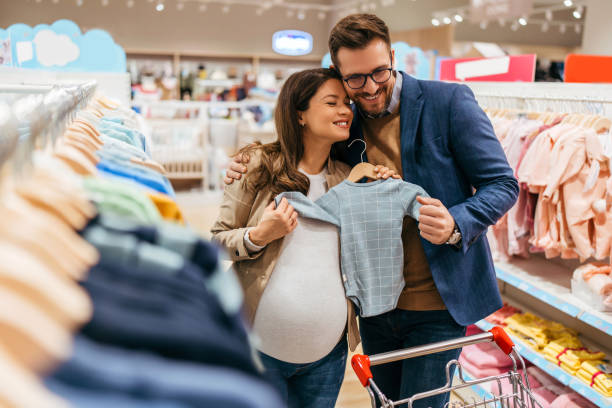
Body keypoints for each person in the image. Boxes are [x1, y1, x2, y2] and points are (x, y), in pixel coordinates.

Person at [224, 14, 519, 408]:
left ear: (393, 56)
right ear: (339, 75)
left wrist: (455, 222)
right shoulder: (346, 122)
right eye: (356, 79)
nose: (372, 86)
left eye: (380, 71)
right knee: (385, 403)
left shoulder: (448, 102)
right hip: (374, 305)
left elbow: (503, 183)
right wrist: (250, 159)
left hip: (437, 302)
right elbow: (302, 140)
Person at [210, 68, 396, 408]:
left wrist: (383, 186)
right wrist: (259, 235)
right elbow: (217, 240)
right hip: (258, 350)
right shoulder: (257, 165)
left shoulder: (349, 179)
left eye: (346, 103)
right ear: (300, 114)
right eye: (332, 103)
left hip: (328, 354)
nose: (345, 111)